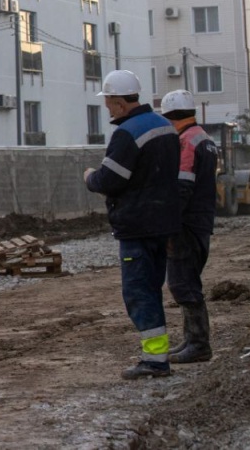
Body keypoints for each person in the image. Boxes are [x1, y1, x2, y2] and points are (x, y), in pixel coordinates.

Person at [84, 70, 182, 380]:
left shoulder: (127, 133)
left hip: (137, 224)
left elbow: (110, 180)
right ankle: (158, 355)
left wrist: (89, 178)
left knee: (139, 292)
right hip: (162, 221)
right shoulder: (165, 127)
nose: (108, 109)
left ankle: (155, 360)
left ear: (121, 102)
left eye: (109, 103)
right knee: (152, 288)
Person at [160, 89, 217, 364]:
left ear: (170, 116)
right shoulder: (204, 138)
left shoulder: (186, 142)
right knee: (188, 281)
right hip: (201, 222)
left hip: (187, 224)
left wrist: (168, 225)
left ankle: (198, 343)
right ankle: (191, 340)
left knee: (183, 284)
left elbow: (182, 188)